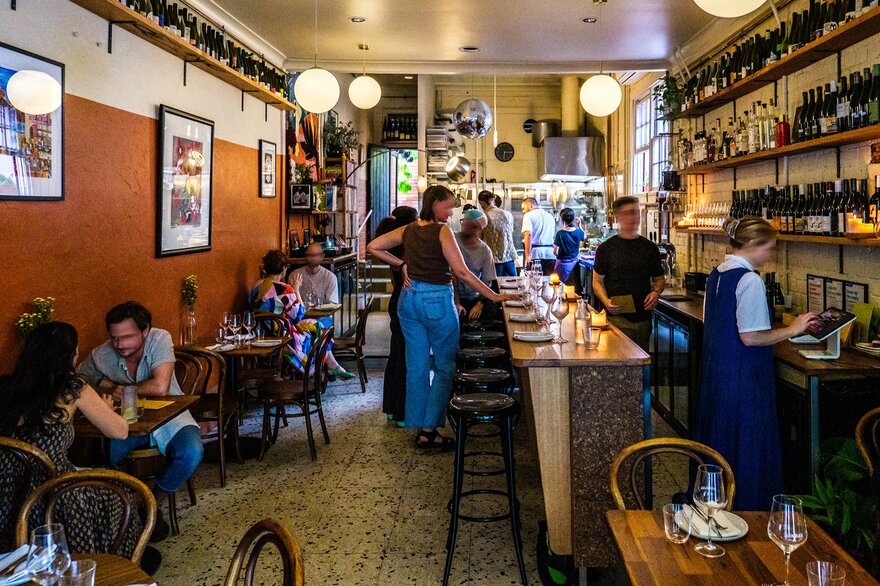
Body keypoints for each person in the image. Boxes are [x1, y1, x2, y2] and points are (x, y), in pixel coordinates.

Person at [367, 186, 516, 450]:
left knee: (417, 367)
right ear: (434, 204)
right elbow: (461, 271)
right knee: (446, 368)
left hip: (408, 301)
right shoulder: (441, 230)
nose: (451, 212)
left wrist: (401, 265)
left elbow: (373, 246)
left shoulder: (409, 229)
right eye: (448, 206)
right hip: (436, 301)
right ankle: (429, 429)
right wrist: (493, 296)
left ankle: (419, 427)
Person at [695, 217, 818, 511]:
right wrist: (794, 328)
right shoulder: (749, 280)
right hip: (743, 375)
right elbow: (750, 337)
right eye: (769, 248)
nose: (770, 255)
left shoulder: (717, 273)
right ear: (751, 244)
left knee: (721, 438)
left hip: (717, 372)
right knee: (747, 441)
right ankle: (750, 508)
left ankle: (716, 503)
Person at [0, 322, 142, 557]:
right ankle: (111, 562)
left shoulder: (6, 386)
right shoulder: (73, 387)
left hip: (6, 495)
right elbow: (120, 431)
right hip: (50, 494)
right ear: (69, 355)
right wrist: (105, 407)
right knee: (118, 491)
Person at [77, 302, 203, 541]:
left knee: (191, 452)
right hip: (125, 422)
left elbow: (160, 386)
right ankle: (122, 511)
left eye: (127, 337)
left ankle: (152, 503)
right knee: (103, 458)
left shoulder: (159, 339)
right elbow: (78, 381)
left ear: (145, 331)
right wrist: (98, 387)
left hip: (170, 414)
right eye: (115, 338)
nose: (120, 345)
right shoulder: (101, 354)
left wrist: (115, 388)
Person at [249, 250, 354, 379]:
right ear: (283, 269)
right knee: (319, 328)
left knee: (317, 325)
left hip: (263, 333)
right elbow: (299, 314)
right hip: (285, 336)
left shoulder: (255, 287)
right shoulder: (284, 289)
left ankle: (331, 364)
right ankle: (322, 367)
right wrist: (296, 289)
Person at [592, 196, 665, 351]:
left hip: (644, 319)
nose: (634, 217)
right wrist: (606, 300)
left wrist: (656, 292)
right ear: (618, 217)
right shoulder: (606, 249)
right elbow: (597, 281)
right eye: (629, 213)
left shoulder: (650, 248)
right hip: (617, 319)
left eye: (636, 212)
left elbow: (659, 279)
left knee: (642, 365)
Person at [377, 206, 419, 425]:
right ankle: (403, 412)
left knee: (396, 356)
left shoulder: (392, 247)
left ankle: (393, 409)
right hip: (407, 302)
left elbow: (395, 281)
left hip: (397, 299)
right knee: (406, 358)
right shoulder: (407, 246)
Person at [455, 208, 499, 322]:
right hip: (452, 296)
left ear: (479, 229)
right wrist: (457, 302)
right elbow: (451, 274)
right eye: (463, 222)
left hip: (475, 297)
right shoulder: (452, 240)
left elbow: (487, 281)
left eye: (470, 224)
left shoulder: (484, 250)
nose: (464, 226)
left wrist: (480, 303)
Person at [478, 190, 517, 277]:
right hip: (509, 258)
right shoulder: (508, 214)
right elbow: (509, 233)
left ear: (481, 203)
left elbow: (479, 239)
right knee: (513, 286)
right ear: (493, 200)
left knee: (495, 289)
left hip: (493, 260)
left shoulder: (483, 217)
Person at [520, 197, 556, 274]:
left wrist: (527, 256)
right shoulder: (550, 216)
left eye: (524, 208)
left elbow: (528, 235)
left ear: (530, 205)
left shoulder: (528, 215)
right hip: (550, 254)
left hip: (536, 255)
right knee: (548, 282)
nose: (523, 211)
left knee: (534, 282)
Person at [553, 207, 585, 284]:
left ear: (562, 219)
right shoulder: (578, 232)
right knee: (572, 288)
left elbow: (555, 252)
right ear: (573, 218)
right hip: (574, 265)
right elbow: (584, 236)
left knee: (560, 287)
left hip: (562, 266)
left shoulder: (560, 234)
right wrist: (579, 225)